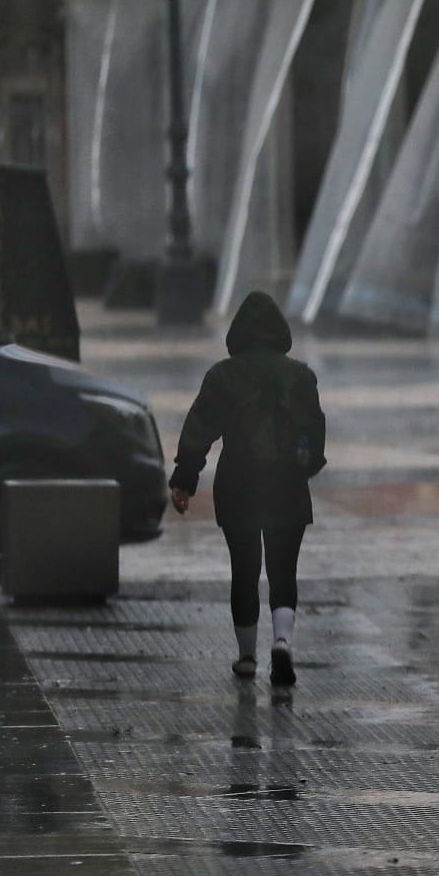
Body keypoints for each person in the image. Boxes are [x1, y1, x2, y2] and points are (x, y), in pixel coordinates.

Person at [170, 292, 327, 686]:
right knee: (282, 570)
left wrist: (185, 480)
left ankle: (246, 657)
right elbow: (313, 431)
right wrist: (305, 465)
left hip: (237, 483)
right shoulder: (300, 376)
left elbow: (199, 430)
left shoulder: (223, 376)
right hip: (286, 485)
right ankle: (283, 642)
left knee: (244, 570)